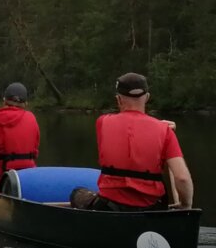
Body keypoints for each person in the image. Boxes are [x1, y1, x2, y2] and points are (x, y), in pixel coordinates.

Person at [71, 72, 193, 211]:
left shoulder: (102, 122)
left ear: (119, 100)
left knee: (77, 194)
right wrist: (186, 205)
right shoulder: (164, 131)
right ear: (147, 98)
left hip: (110, 206)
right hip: (152, 208)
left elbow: (130, 129)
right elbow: (182, 178)